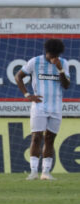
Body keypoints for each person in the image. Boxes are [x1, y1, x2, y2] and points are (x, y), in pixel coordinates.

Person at [15, 38, 70, 180]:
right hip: (39, 106)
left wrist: (60, 69)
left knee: (50, 139)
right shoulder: (35, 61)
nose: (54, 58)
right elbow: (18, 77)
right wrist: (28, 95)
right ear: (47, 52)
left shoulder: (63, 63)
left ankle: (45, 172)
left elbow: (66, 85)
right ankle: (33, 171)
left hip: (56, 107)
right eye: (52, 55)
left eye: (56, 55)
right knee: (36, 137)